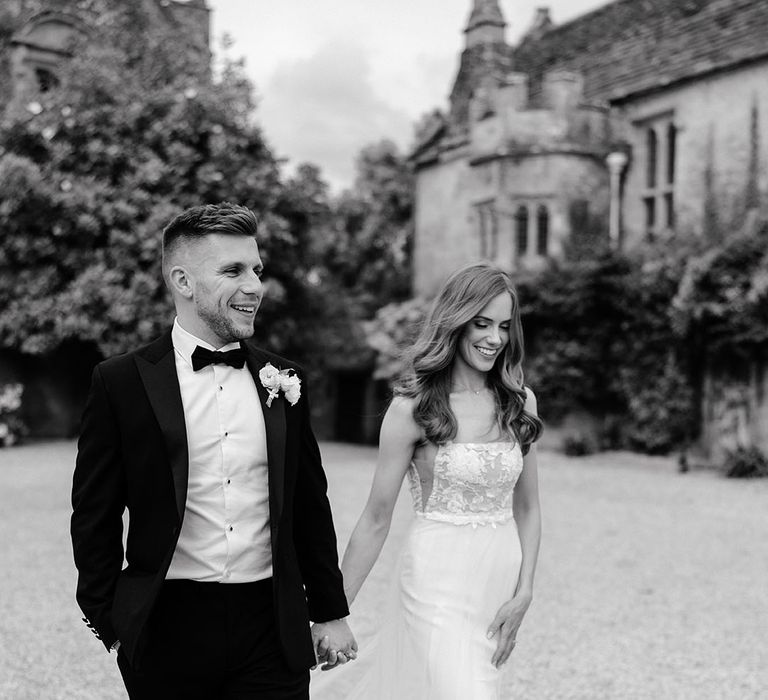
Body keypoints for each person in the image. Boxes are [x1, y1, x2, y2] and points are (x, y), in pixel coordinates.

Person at [70, 202, 356, 700]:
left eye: (257, 270)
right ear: (183, 281)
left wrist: (330, 611)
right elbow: (94, 513)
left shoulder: (284, 380)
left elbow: (310, 503)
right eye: (233, 270)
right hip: (166, 627)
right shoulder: (120, 382)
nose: (255, 286)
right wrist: (112, 623)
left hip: (271, 627)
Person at [330, 261, 542, 699]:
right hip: (435, 581)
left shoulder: (520, 404)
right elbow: (375, 518)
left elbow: (528, 508)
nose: (494, 339)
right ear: (456, 321)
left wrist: (525, 593)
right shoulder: (413, 408)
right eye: (481, 324)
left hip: (497, 583)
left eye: (503, 326)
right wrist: (333, 612)